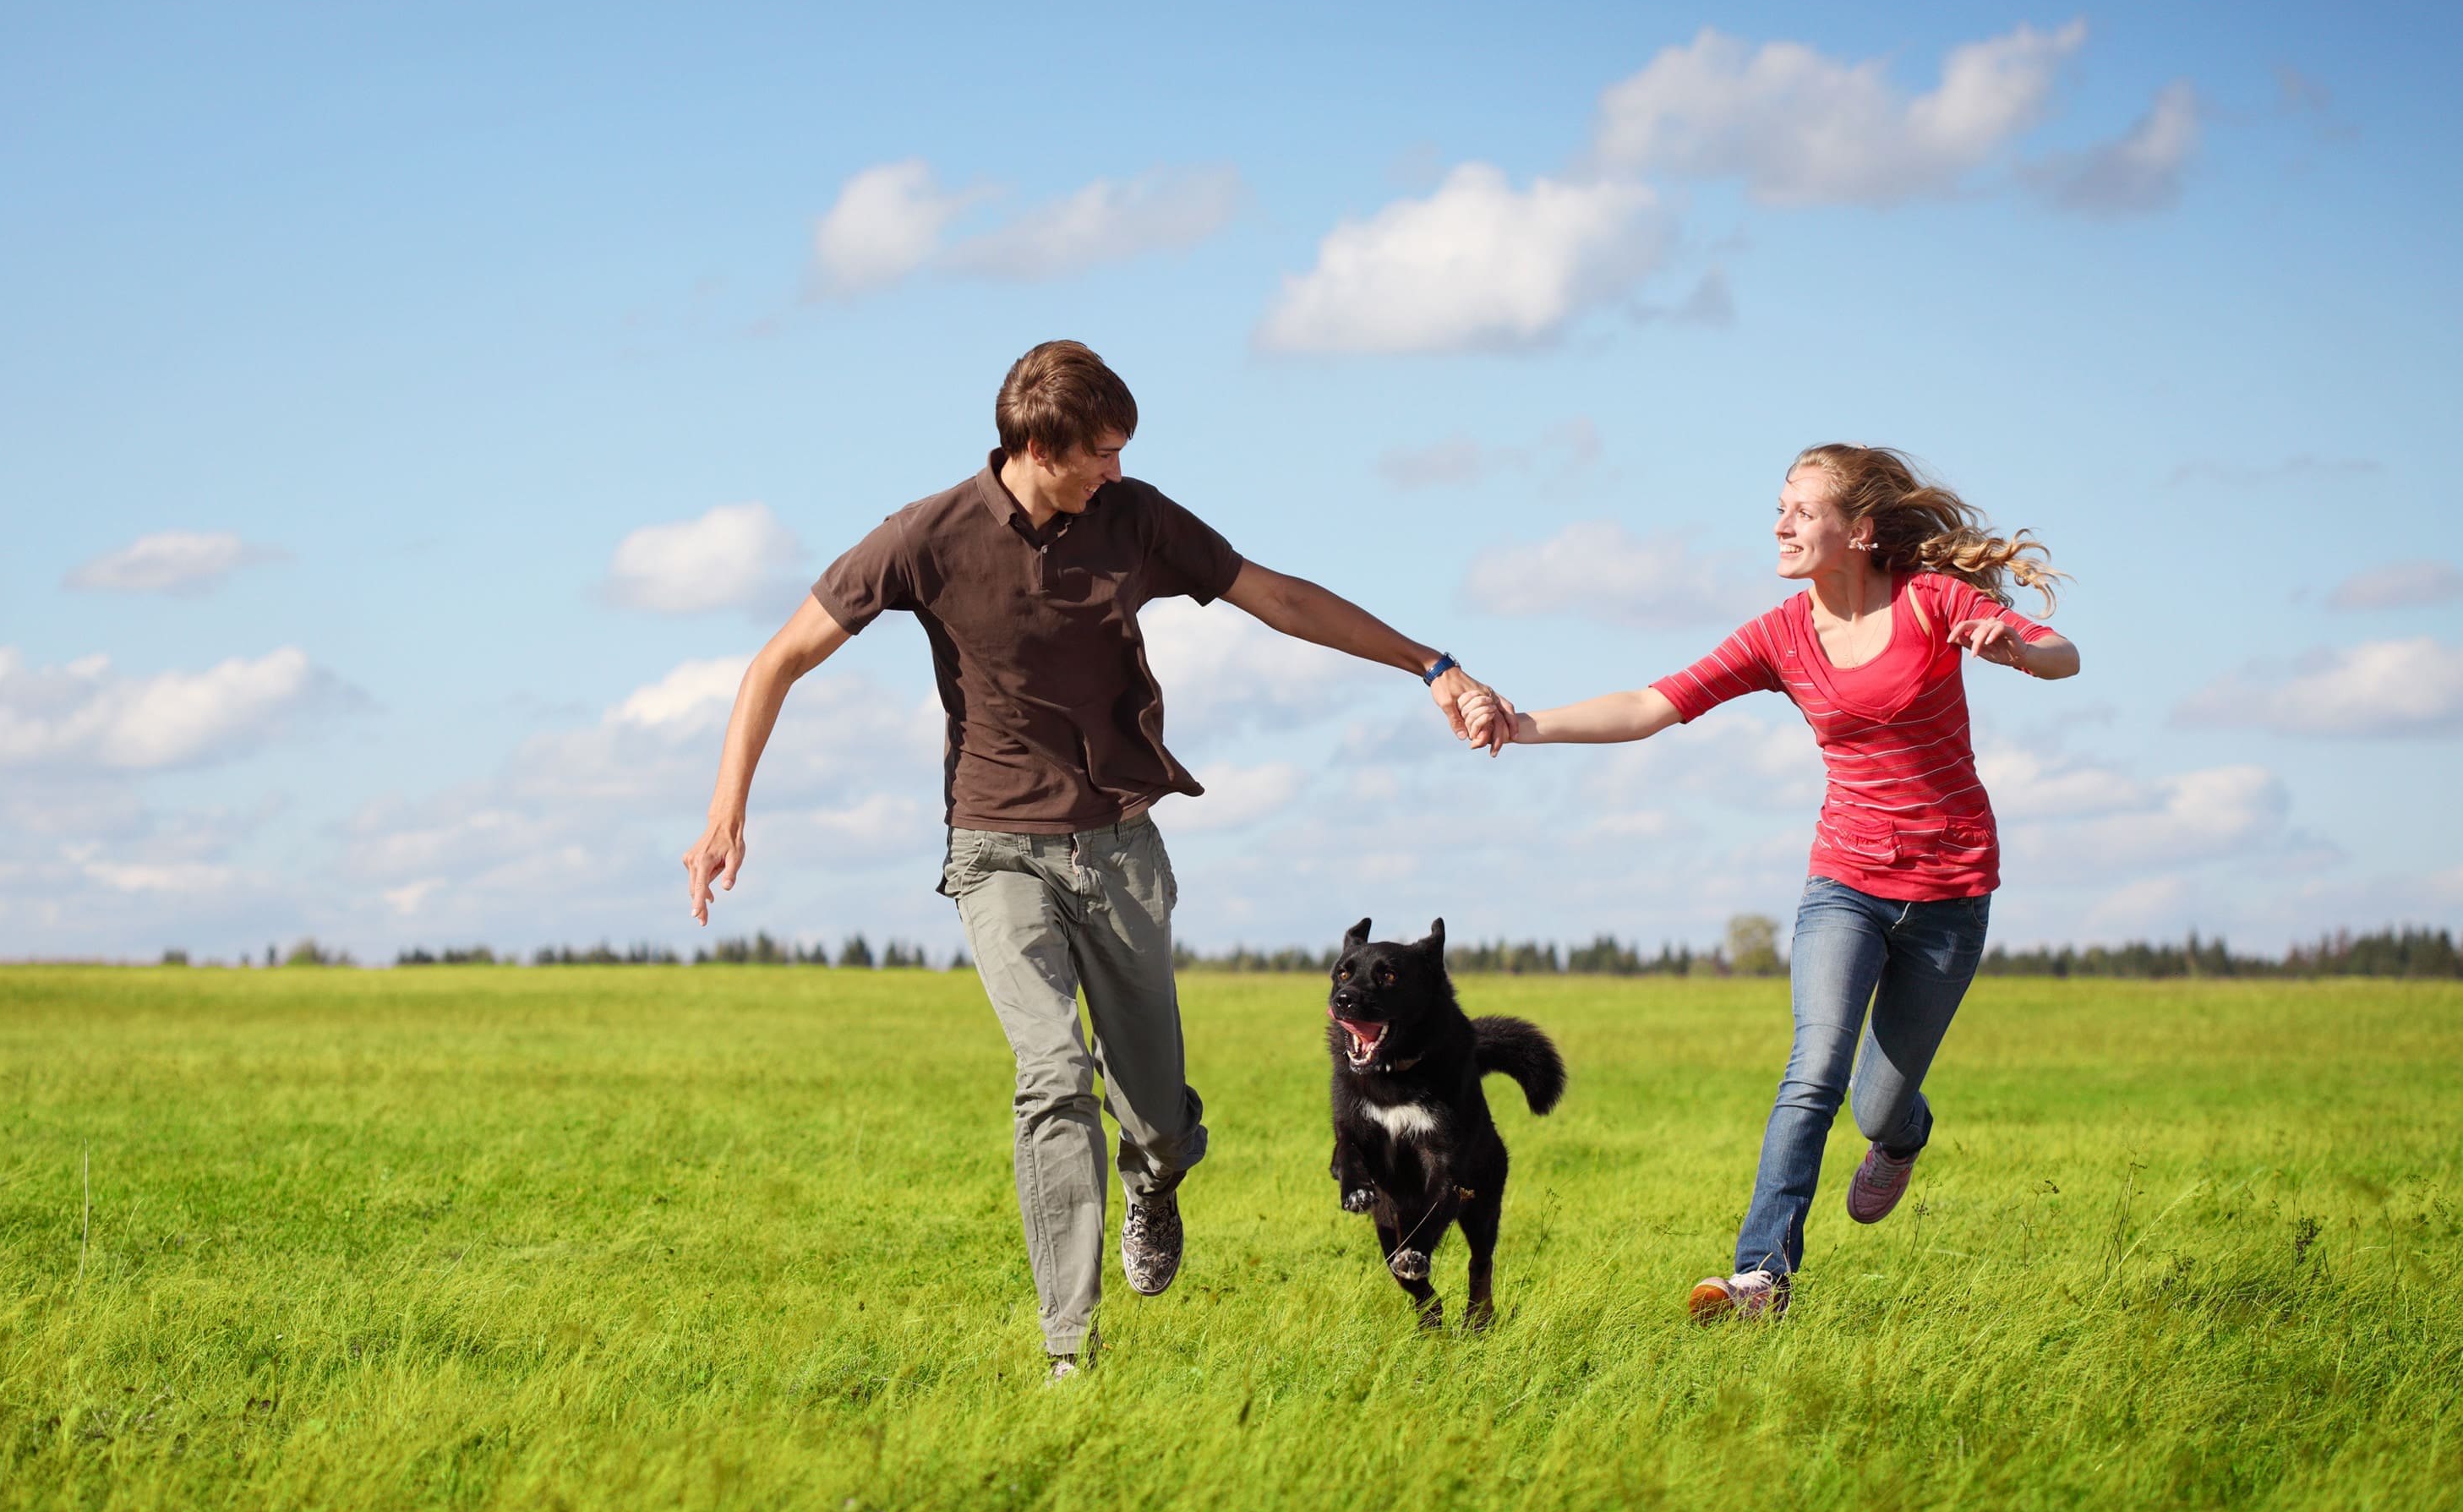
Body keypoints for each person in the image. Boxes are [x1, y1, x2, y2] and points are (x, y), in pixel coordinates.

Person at [682, 341, 1513, 1375]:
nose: (1116, 470)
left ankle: (1155, 1177)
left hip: (1120, 849)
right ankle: (1069, 1347)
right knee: (1053, 1075)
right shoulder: (923, 539)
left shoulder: (1138, 521)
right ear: (1038, 446)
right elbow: (780, 658)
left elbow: (1276, 596)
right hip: (994, 848)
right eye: (1102, 453)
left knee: (1156, 1118)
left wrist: (1428, 663)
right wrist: (727, 810)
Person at [1467, 444, 2078, 1321]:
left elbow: (2065, 655)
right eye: (1779, 506)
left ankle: (1904, 1133)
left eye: (1803, 509)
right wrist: (1524, 724)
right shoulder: (1782, 634)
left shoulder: (1933, 601)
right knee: (1814, 1067)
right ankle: (1762, 1274)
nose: (1781, 524)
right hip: (1847, 882)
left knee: (1877, 1105)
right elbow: (1654, 703)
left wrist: (2015, 647)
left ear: (1859, 531)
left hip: (1952, 889)